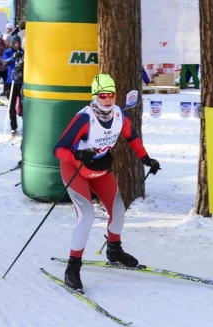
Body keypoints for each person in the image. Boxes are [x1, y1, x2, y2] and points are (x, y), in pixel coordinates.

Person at [53, 73, 161, 291]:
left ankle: (114, 250)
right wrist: (76, 156)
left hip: (99, 168)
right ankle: (72, 269)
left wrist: (146, 158)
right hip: (75, 169)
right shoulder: (84, 118)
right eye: (102, 95)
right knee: (87, 216)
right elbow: (59, 149)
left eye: (111, 94)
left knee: (118, 209)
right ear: (95, 96)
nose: (108, 99)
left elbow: (132, 137)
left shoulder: (119, 115)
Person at [3, 35, 24, 133]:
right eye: (15, 43)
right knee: (11, 105)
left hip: (21, 81)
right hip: (10, 81)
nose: (16, 45)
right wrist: (13, 57)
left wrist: (22, 57)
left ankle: (25, 124)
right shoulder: (7, 52)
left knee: (23, 104)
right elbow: (4, 62)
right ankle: (13, 126)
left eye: (18, 43)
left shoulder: (23, 52)